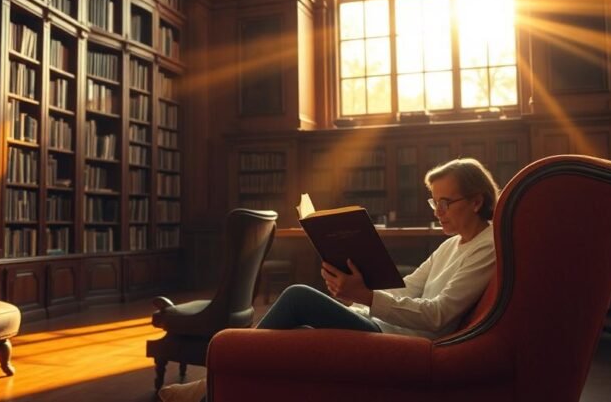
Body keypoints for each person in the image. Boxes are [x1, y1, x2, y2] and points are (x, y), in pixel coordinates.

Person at [158, 157, 500, 402]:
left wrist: (365, 297)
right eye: (433, 201)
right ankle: (222, 385)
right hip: (385, 324)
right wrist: (358, 284)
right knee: (297, 333)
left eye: (446, 202)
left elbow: (438, 314)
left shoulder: (488, 247)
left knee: (297, 297)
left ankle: (214, 382)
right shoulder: (452, 243)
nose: (437, 211)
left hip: (408, 339)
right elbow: (409, 287)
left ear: (476, 201)